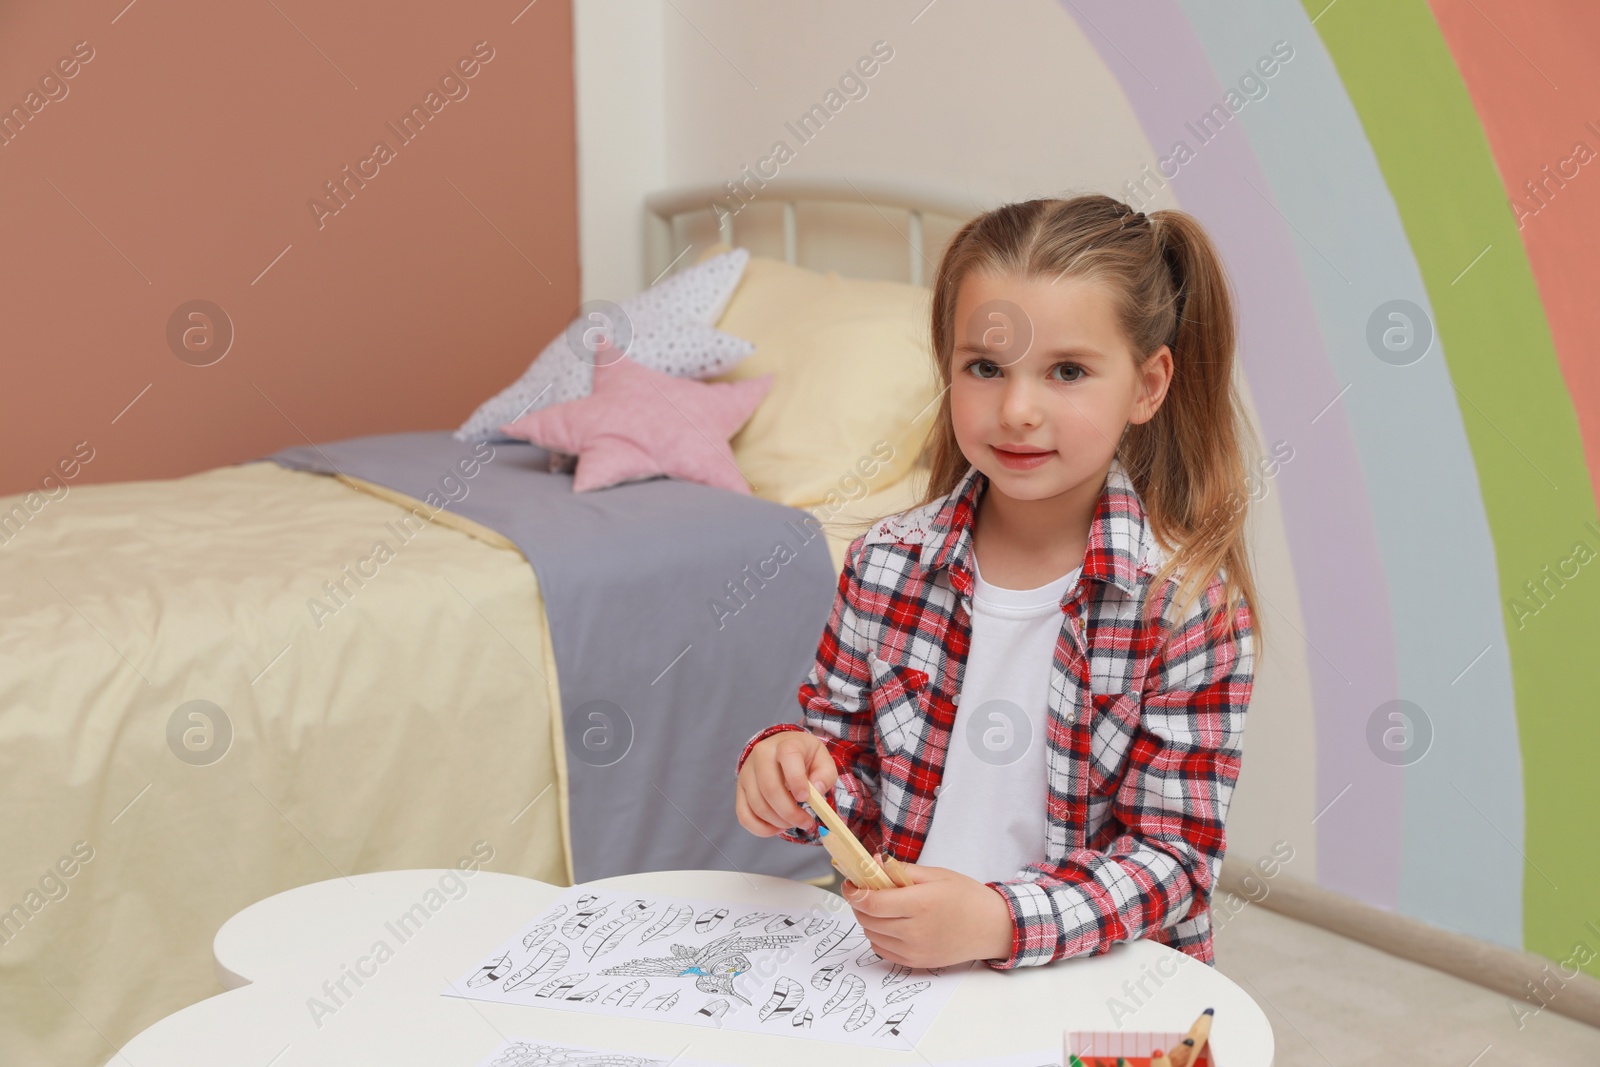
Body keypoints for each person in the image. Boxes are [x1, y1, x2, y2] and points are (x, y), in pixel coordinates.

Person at [733, 194, 1262, 972]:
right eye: (985, 367)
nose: (1017, 409)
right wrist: (788, 772)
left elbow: (1174, 861)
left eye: (1068, 371)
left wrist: (999, 919)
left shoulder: (1187, 608)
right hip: (908, 979)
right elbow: (846, 770)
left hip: (1101, 987)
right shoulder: (886, 563)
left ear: (1148, 386)